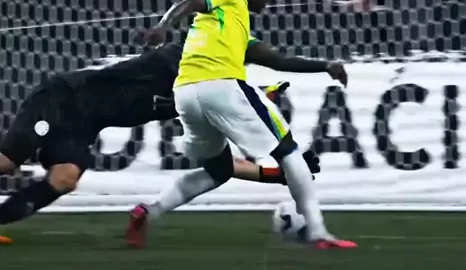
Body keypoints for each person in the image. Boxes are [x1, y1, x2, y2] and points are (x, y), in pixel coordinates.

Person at [131, 0, 357, 250]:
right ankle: (318, 232)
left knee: (219, 170)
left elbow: (277, 60)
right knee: (289, 151)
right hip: (220, 86)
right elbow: (192, 0)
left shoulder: (230, 25)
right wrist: (162, 27)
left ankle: (148, 211)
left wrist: (325, 66)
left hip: (186, 94)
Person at [0, 44, 318, 230]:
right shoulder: (174, 60)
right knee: (7, 162)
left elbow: (221, 166)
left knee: (66, 177)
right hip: (61, 98)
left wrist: (282, 174)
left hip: (83, 126)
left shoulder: (201, 102)